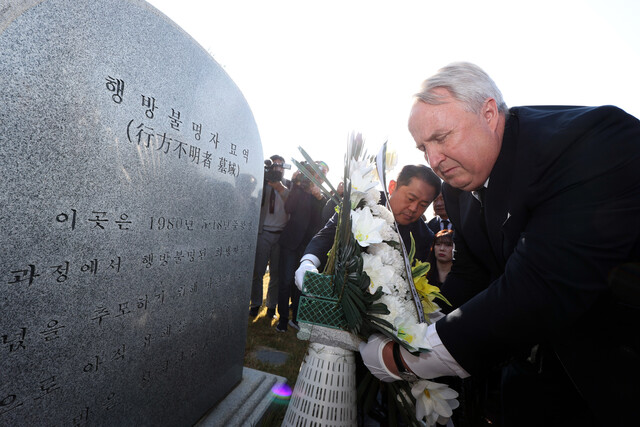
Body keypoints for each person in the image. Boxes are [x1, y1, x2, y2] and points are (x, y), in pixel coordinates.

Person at [359, 62, 640, 426]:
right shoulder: (457, 191)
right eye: (423, 148)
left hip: (615, 379)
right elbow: (472, 275)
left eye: (441, 138)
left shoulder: (588, 144)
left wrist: (404, 359)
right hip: (530, 379)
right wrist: (410, 324)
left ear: (489, 113)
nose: (434, 161)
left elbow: (538, 289)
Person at [295, 164, 441, 287]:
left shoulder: (424, 238)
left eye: (423, 205)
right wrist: (308, 262)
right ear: (392, 187)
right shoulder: (360, 201)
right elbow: (328, 234)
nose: (414, 208)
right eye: (410, 198)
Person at [276, 162, 327, 332]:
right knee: (285, 281)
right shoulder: (299, 188)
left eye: (322, 175)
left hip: (308, 246)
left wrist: (319, 197)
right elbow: (289, 208)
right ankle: (282, 320)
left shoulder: (322, 196)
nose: (318, 177)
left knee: (302, 284)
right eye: (316, 173)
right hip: (291, 242)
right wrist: (297, 186)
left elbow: (323, 220)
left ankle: (296, 319)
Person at [249, 155, 290, 318]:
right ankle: (255, 304)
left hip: (281, 235)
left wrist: (279, 187)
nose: (277, 168)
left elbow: (291, 201)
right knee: (258, 272)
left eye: (281, 166)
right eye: (274, 165)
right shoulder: (262, 183)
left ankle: (271, 307)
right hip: (263, 233)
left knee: (276, 273)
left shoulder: (289, 185)